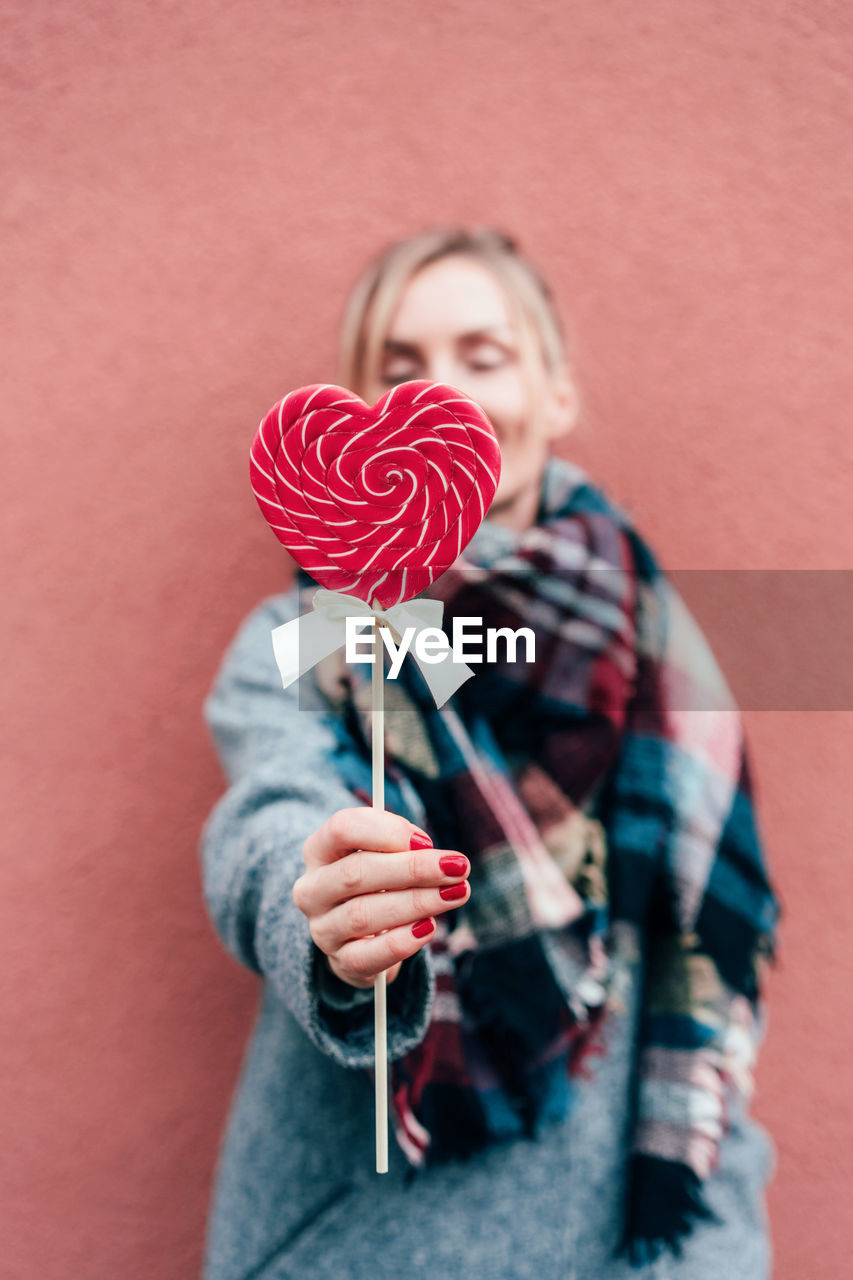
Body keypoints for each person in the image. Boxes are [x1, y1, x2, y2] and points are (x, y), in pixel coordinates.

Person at [199, 227, 779, 1280]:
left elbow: (704, 995)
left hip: (610, 1247)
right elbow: (267, 816)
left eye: (485, 354)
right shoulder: (308, 639)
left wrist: (713, 1253)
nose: (448, 392)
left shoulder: (665, 658)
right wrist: (317, 894)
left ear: (555, 394)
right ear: (359, 417)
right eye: (402, 365)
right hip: (350, 1243)